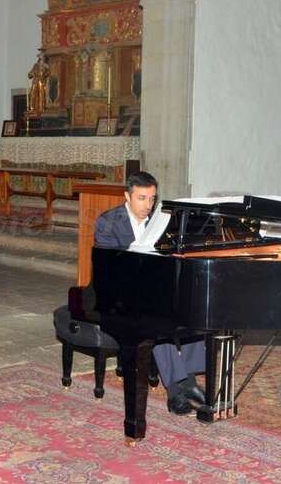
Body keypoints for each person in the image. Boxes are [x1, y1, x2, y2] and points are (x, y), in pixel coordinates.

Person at [94, 171, 206, 415]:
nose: (148, 205)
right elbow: (108, 270)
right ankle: (179, 388)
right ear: (127, 196)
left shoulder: (160, 222)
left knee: (195, 311)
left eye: (152, 199)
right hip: (119, 297)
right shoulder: (108, 222)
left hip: (153, 292)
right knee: (154, 323)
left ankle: (188, 376)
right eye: (142, 198)